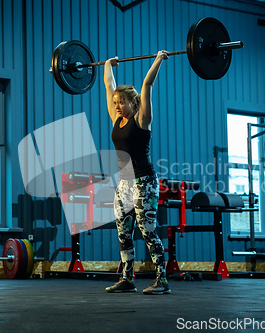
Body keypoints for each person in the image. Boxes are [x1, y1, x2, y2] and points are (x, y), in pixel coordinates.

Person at [104, 51, 170, 295]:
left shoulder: (142, 120)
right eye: (115, 103)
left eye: (121, 102)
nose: (117, 106)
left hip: (144, 182)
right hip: (124, 184)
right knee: (123, 232)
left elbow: (147, 84)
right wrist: (107, 65)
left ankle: (162, 280)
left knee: (148, 231)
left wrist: (158, 60)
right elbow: (109, 84)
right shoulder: (117, 119)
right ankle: (127, 278)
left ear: (133, 103)